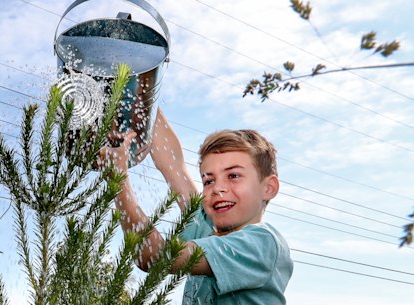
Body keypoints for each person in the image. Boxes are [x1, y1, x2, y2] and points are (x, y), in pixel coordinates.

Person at [100, 108, 293, 305]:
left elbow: (153, 256)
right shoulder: (208, 228)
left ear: (268, 188)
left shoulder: (261, 244)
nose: (217, 188)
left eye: (233, 176)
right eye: (208, 180)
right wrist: (142, 92)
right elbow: (173, 165)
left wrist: (118, 178)